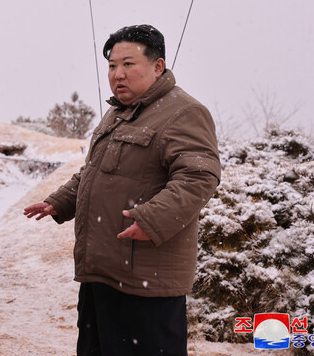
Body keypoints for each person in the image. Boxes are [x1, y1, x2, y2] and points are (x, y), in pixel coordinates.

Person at [24, 24, 221, 356]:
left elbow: (199, 176)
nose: (118, 74)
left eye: (128, 64)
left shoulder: (183, 112)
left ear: (157, 66)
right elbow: (95, 173)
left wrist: (152, 220)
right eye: (113, 66)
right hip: (100, 274)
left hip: (146, 282)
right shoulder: (116, 113)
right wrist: (59, 202)